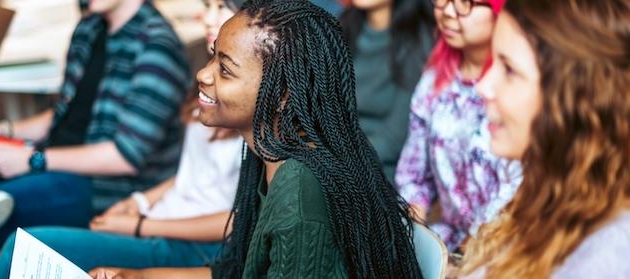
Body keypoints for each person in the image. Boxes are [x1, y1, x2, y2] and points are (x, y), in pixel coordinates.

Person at [91, 0, 422, 278]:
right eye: (212, 57)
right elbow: (232, 271)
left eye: (225, 70)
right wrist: (136, 276)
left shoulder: (300, 189)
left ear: (282, 94)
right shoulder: (268, 154)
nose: (202, 75)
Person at [0, 0, 190, 278]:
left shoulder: (157, 47)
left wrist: (31, 160)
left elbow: (125, 156)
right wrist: (0, 129)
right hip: (45, 158)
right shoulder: (89, 28)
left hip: (101, 187)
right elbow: (61, 115)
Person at [0, 1, 245, 277]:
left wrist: (140, 225)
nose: (206, 17)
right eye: (208, 5)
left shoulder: (161, 48)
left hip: (189, 241)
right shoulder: (208, 76)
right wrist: (140, 202)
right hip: (162, 214)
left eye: (221, 7)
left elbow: (239, 220)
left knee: (17, 244)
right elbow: (196, 174)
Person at [459, 0, 630, 277]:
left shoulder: (606, 256)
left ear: (575, 100)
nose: (483, 86)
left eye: (509, 70)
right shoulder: (546, 193)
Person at [394, 0, 522, 253]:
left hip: (505, 243)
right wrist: (415, 229)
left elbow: (519, 187)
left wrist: (472, 250)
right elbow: (413, 173)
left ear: (500, 11)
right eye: (443, 0)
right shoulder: (434, 79)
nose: (448, 12)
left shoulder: (518, 89)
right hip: (447, 240)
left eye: (466, 2)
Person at [339, 0, 434, 182]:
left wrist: (340, 163)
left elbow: (394, 138)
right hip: (336, 158)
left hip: (380, 173)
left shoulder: (416, 40)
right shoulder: (342, 26)